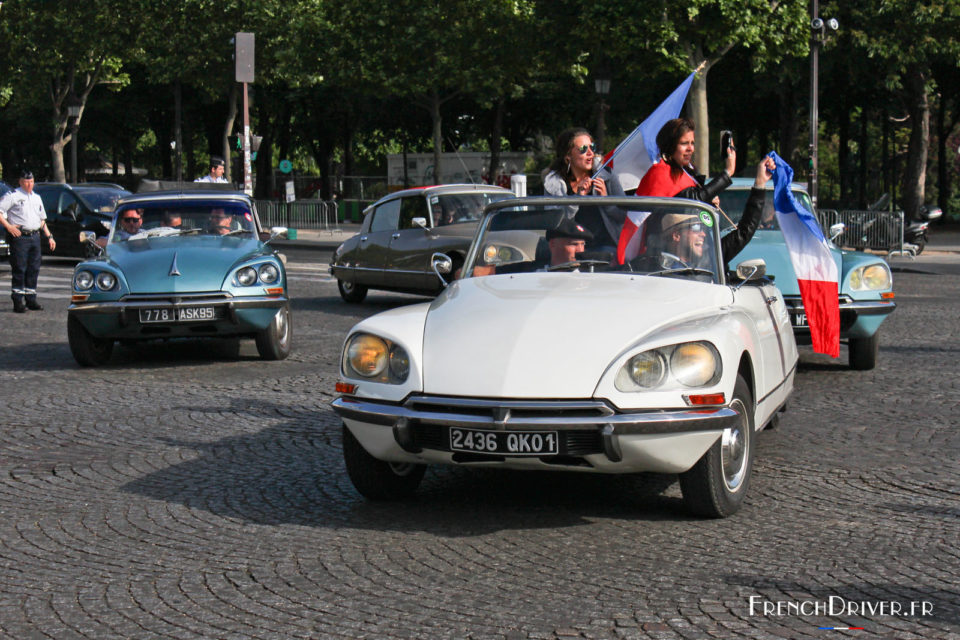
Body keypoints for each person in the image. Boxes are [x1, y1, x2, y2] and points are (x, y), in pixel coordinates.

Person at [542, 127, 626, 251]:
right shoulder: (554, 183)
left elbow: (624, 216)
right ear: (568, 156)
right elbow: (555, 224)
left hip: (606, 246)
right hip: (570, 248)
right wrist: (577, 199)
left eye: (592, 147)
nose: (590, 153)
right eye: (583, 149)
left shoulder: (607, 176)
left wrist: (606, 201)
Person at [635, 117, 735, 206]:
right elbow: (694, 200)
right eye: (684, 143)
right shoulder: (660, 172)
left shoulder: (687, 171)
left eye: (692, 143)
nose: (690, 148)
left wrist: (709, 201)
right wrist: (728, 171)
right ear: (670, 146)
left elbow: (691, 201)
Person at [0, 170, 55, 312]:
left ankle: (31, 299)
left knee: (34, 268)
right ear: (20, 182)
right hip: (20, 238)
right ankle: (18, 300)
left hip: (35, 236)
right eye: (26, 181)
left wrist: (49, 236)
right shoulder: (13, 196)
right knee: (19, 268)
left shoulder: (36, 198)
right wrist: (8, 226)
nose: (29, 184)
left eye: (31, 181)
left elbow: (42, 220)